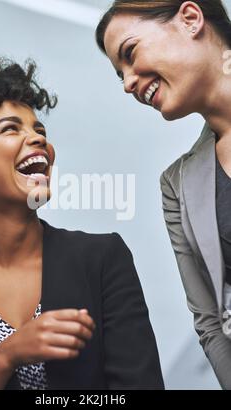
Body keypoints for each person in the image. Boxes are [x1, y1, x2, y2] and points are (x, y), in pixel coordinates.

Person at [0, 54, 164, 390]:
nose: (39, 138)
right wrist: (6, 356)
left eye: (39, 129)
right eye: (10, 129)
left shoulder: (101, 258)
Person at [95, 0, 231, 389]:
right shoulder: (178, 186)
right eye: (119, 74)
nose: (127, 83)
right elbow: (210, 323)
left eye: (130, 53)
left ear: (190, 19)